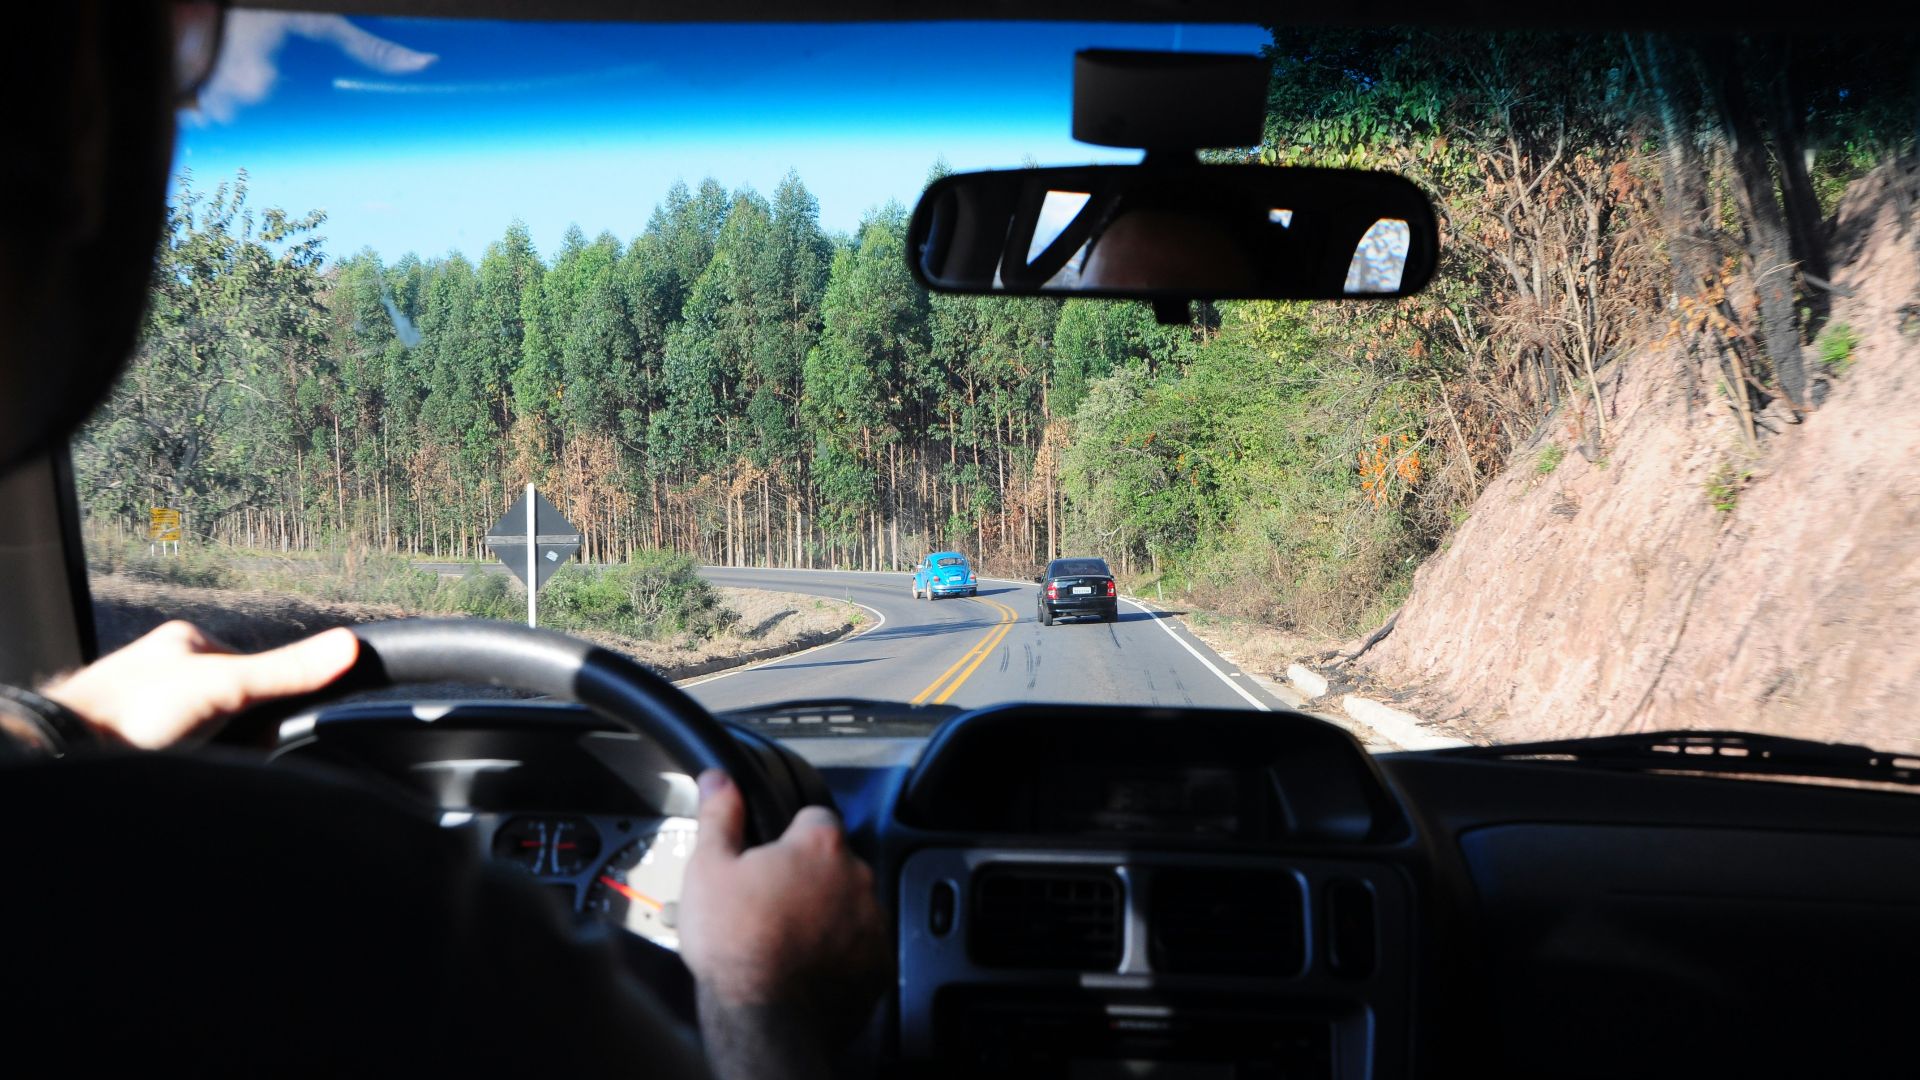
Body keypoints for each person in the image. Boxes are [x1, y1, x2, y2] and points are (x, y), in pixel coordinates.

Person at [0, 4, 887, 1076]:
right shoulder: (421, 933)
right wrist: (764, 1002)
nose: (190, 102)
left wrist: (50, 728)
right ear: (79, 149)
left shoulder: (70, 853)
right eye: (185, 72)